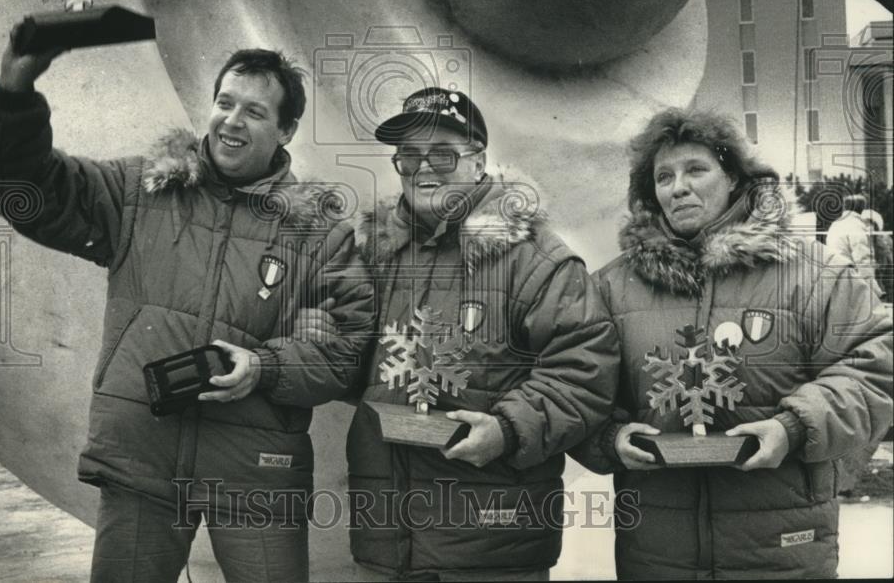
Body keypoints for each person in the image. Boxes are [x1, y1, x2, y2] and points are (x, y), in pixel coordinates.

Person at [0, 34, 374, 583]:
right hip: (142, 463)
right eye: (225, 103)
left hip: (256, 479)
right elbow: (34, 192)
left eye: (254, 111)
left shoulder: (318, 234)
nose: (232, 121)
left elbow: (345, 348)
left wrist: (264, 368)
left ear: (285, 132)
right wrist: (14, 92)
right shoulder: (140, 191)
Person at [306, 87, 619, 581]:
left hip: (491, 550)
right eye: (408, 156)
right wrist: (322, 339)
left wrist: (507, 430)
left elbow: (583, 371)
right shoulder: (373, 256)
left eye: (442, 154)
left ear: (479, 162)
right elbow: (353, 371)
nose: (423, 168)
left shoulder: (536, 259)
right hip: (385, 545)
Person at [570, 108, 893, 579]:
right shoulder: (610, 289)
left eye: (696, 169)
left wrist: (794, 427)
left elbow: (876, 362)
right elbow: (574, 385)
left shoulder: (814, 274)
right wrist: (609, 438)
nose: (678, 187)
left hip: (781, 549)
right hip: (658, 553)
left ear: (735, 178)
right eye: (664, 176)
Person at [825, 193, 877, 284]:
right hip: (851, 278)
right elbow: (862, 258)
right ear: (861, 209)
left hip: (835, 275)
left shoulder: (836, 224)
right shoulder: (856, 225)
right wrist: (874, 288)